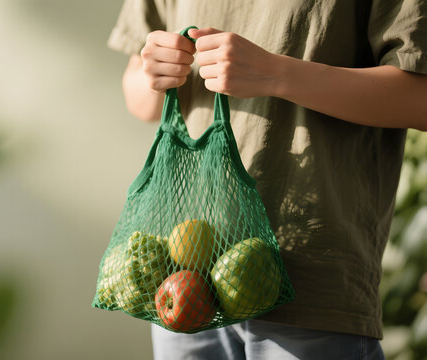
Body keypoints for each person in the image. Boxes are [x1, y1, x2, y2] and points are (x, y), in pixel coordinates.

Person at [107, 1, 427, 359]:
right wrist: (154, 74)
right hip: (183, 281)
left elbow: (420, 96)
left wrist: (275, 73)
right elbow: (140, 98)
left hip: (311, 287)